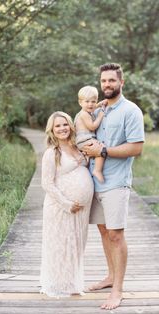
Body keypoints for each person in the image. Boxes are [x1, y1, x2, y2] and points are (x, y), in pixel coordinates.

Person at [83, 63, 145, 310]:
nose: (107, 84)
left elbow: (136, 148)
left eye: (111, 80)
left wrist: (104, 151)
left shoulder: (131, 111)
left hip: (116, 183)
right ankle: (110, 277)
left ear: (122, 82)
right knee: (103, 232)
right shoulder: (99, 109)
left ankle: (117, 290)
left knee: (116, 235)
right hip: (93, 182)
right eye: (103, 81)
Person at [40, 111, 94, 297]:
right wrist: (67, 204)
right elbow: (46, 183)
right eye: (57, 126)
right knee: (60, 245)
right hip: (60, 208)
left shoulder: (78, 147)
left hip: (81, 210)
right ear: (52, 130)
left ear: (71, 126)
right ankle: (57, 284)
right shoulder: (52, 153)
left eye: (65, 124)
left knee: (77, 245)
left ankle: (71, 282)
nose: (62, 128)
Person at [74, 86, 106, 182]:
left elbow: (92, 107)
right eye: (87, 101)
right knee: (101, 148)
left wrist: (99, 104)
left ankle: (86, 170)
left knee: (86, 161)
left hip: (82, 141)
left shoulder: (85, 111)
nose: (90, 104)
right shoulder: (84, 114)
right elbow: (92, 126)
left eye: (93, 101)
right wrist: (100, 116)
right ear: (80, 102)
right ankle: (97, 170)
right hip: (85, 140)